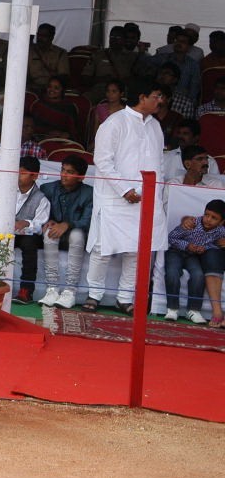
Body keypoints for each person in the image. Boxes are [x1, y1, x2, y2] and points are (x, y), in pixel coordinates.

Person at [83, 81, 168, 315]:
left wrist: (155, 195)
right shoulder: (115, 123)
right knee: (102, 248)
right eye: (156, 95)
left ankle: (124, 297)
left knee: (137, 250)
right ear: (142, 97)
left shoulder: (155, 127)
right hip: (114, 198)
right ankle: (94, 295)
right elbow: (102, 161)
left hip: (146, 200)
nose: (160, 101)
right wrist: (124, 190)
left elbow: (159, 164)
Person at [37, 154, 94, 309]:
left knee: (76, 235)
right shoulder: (48, 188)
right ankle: (52, 289)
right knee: (49, 232)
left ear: (81, 177)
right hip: (57, 232)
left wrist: (67, 224)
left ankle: (70, 291)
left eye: (70, 172)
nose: (64, 174)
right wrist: (47, 220)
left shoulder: (89, 193)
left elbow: (87, 221)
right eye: (63, 170)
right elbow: (40, 212)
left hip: (76, 233)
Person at [164, 200, 223, 324]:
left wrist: (204, 248)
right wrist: (187, 245)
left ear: (221, 222)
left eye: (214, 218)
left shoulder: (220, 231)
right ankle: (172, 308)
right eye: (207, 215)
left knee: (198, 275)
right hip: (176, 252)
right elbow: (171, 237)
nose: (208, 219)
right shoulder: (192, 223)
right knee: (172, 273)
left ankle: (193, 310)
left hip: (193, 256)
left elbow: (214, 245)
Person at [4, 157, 51, 304]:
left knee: (30, 244)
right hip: (6, 230)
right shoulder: (7, 191)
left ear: (34, 176)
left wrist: (27, 223)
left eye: (22, 173)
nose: (18, 176)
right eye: (16, 172)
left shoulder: (41, 198)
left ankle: (26, 290)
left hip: (27, 235)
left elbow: (40, 224)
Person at [30, 76, 79, 142]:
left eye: (56, 88)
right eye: (49, 86)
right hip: (39, 140)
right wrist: (47, 135)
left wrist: (62, 134)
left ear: (62, 90)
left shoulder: (69, 107)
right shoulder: (39, 104)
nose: (51, 90)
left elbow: (73, 132)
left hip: (60, 141)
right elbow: (31, 128)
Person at [26, 23, 70, 94]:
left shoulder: (61, 53)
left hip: (51, 90)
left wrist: (49, 86)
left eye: (44, 36)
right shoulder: (29, 51)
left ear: (52, 37)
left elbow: (63, 77)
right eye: (39, 35)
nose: (40, 38)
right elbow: (24, 74)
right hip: (31, 89)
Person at [87, 78, 126, 149]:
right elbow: (96, 131)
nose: (110, 94)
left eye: (114, 91)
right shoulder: (100, 108)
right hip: (102, 143)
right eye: (108, 91)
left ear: (121, 94)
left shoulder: (125, 112)